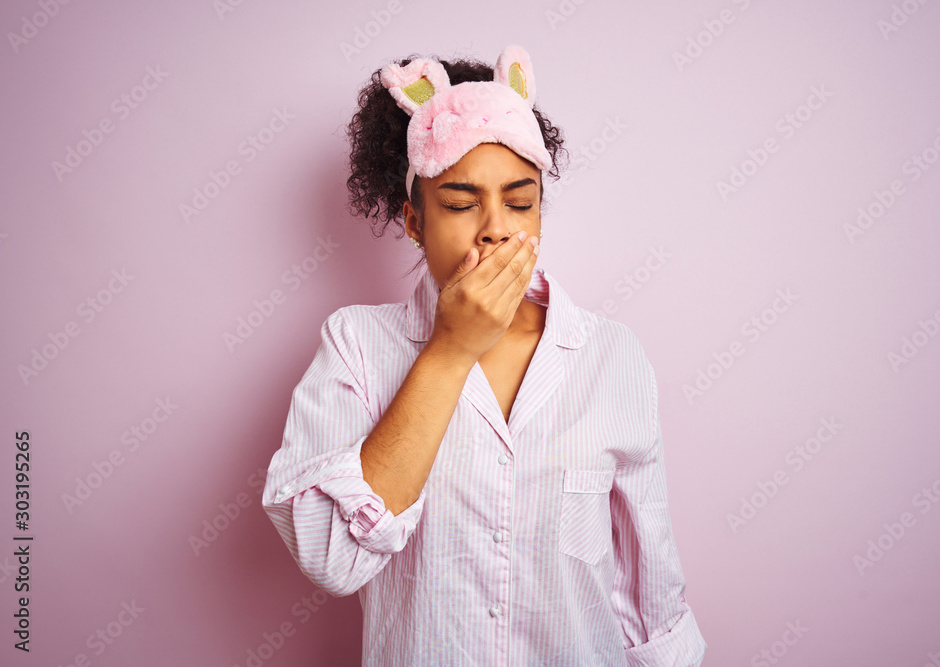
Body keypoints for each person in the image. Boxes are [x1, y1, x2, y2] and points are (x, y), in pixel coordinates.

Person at [262, 43, 707, 666]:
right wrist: (449, 350)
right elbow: (331, 557)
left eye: (520, 202)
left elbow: (648, 599)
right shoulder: (355, 346)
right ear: (414, 221)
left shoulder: (611, 356)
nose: (497, 227)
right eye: (460, 204)